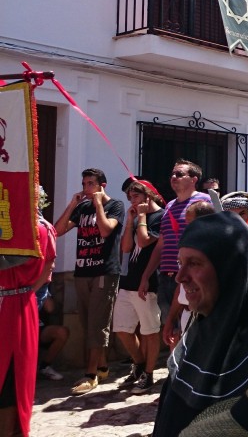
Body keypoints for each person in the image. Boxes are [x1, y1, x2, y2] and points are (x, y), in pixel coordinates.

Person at [152, 212, 248, 436]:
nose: (180, 277)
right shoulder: (200, 330)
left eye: (194, 263)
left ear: (229, 269)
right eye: (180, 263)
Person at [54, 167, 125, 395]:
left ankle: (91, 374)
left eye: (90, 184)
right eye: (84, 184)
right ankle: (102, 366)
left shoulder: (115, 206)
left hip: (104, 272)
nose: (86, 188)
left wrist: (98, 206)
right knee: (88, 323)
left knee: (98, 324)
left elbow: (105, 231)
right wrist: (73, 205)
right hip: (83, 271)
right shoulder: (82, 207)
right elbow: (57, 230)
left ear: (102, 185)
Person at [0, 197, 57, 436]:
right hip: (17, 299)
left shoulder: (37, 228)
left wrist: (24, 292)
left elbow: (47, 266)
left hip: (14, 305)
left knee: (11, 376)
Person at [139, 160, 211, 325]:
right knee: (171, 328)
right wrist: (146, 275)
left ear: (194, 179)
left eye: (179, 174)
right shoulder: (170, 206)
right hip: (166, 277)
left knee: (192, 325)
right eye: (172, 174)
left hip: (191, 276)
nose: (173, 177)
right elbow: (161, 244)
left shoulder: (204, 202)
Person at [113, 179, 165, 394]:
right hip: (127, 281)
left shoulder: (161, 216)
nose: (131, 201)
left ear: (147, 195)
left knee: (149, 331)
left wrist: (141, 216)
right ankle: (139, 363)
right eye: (129, 197)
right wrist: (129, 221)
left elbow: (144, 241)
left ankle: (149, 373)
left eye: (135, 196)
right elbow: (126, 248)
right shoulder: (135, 216)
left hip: (149, 281)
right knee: (122, 329)